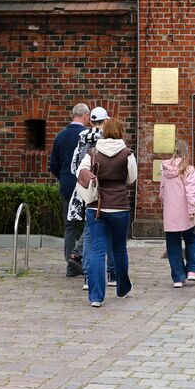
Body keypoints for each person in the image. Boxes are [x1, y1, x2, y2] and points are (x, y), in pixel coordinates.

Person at [77, 117, 136, 307]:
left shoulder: (93, 152)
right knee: (119, 248)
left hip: (96, 206)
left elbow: (82, 173)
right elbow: (131, 179)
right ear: (120, 132)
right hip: (119, 205)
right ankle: (122, 287)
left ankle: (96, 296)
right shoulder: (127, 153)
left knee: (96, 251)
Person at [66, 106, 116, 289]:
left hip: (85, 191)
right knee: (109, 231)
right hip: (105, 192)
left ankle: (87, 275)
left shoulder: (81, 138)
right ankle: (111, 273)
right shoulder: (107, 139)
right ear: (104, 121)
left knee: (89, 232)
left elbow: (74, 168)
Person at [49, 103, 89, 277]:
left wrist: (64, 178)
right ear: (86, 115)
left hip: (67, 185)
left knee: (69, 227)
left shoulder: (60, 136)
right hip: (86, 185)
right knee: (90, 223)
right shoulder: (87, 136)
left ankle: (70, 266)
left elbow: (54, 164)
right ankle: (78, 255)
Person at [159, 139, 195, 287]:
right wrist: (193, 209)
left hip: (171, 212)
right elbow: (190, 192)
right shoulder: (188, 169)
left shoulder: (165, 169)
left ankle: (178, 277)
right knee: (191, 239)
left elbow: (162, 192)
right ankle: (192, 270)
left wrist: (167, 206)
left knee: (173, 245)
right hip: (185, 212)